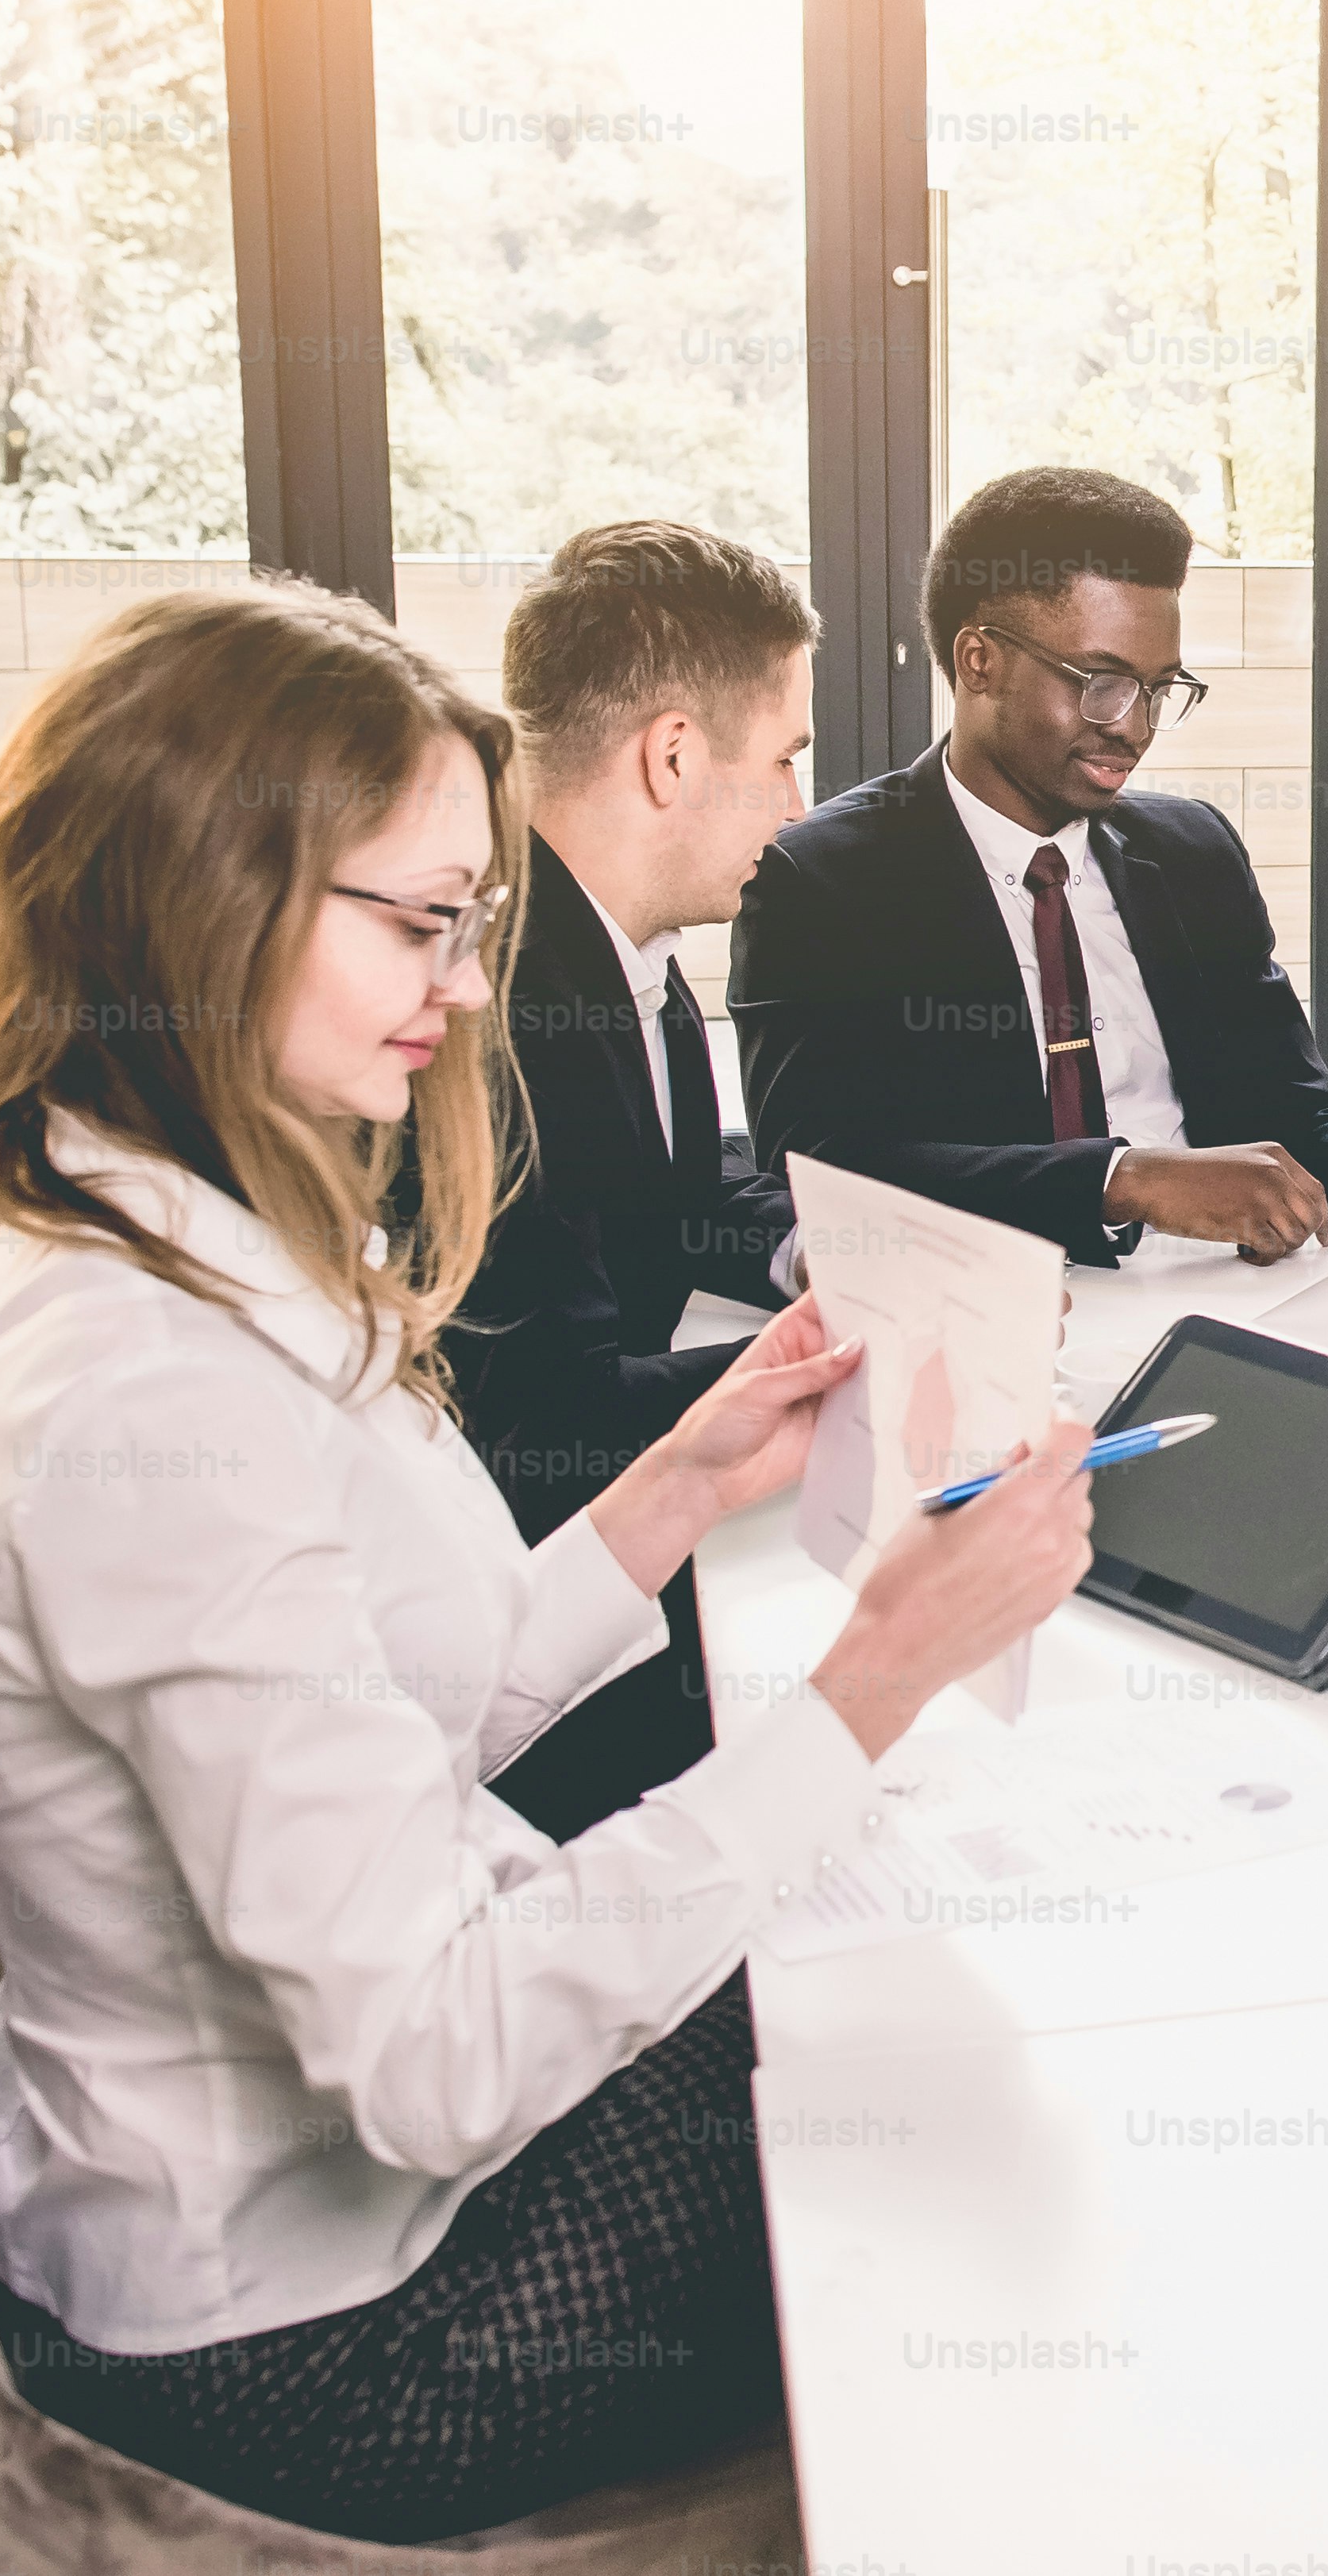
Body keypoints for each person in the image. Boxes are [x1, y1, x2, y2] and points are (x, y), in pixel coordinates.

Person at [0, 585, 1095, 2539]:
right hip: (327, 2332)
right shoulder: (139, 1404)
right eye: (418, 919)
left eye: (472, 923)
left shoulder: (203, 1229)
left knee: (887, 1975)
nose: (463, 987)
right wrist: (872, 1677)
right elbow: (433, 2062)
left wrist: (674, 1491)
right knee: (954, 2102)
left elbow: (397, 1694)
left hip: (296, 2197)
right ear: (193, 899)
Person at [729, 467, 1328, 1265]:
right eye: (1102, 683)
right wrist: (1120, 1181)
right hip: (995, 1309)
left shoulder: (1192, 852)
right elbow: (816, 1168)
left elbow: (1294, 1121)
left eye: (1159, 689)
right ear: (979, 660)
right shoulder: (823, 878)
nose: (1134, 727)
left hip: (1231, 1295)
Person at [448, 519, 816, 1839]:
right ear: (672, 754)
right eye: (784, 758)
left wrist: (823, 1255)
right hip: (533, 1660)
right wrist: (833, 1357)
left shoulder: (615, 948)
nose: (796, 805)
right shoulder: (483, 1010)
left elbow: (673, 1187)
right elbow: (550, 1403)